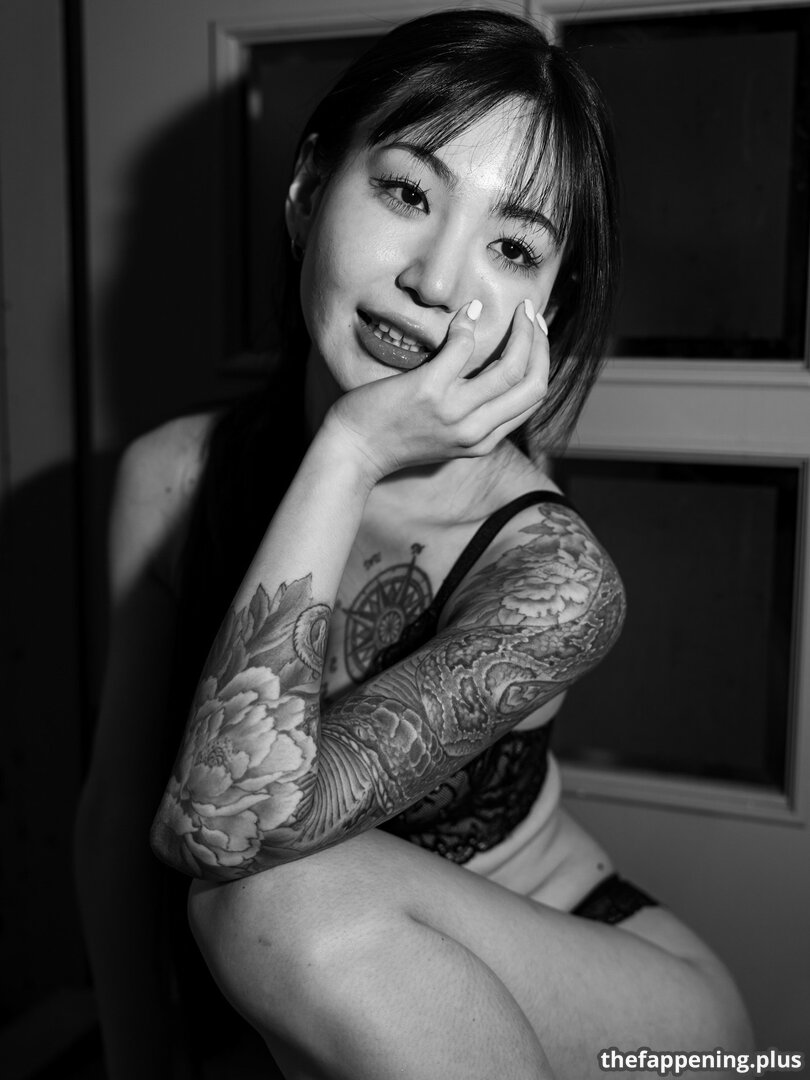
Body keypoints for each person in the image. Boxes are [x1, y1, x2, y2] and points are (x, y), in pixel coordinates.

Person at [76, 9, 753, 1079]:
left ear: (548, 309)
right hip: (349, 1008)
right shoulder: (172, 480)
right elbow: (118, 819)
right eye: (406, 192)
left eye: (512, 248)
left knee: (267, 897)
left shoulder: (554, 577)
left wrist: (349, 450)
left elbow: (225, 833)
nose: (437, 282)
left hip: (633, 1025)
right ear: (309, 190)